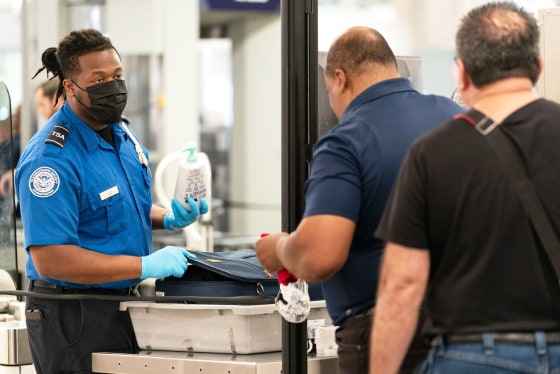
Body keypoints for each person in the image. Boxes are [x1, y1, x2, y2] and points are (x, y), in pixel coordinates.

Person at [255, 26, 463, 374]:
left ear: (340, 78)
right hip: (465, 323)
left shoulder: (346, 141)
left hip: (385, 333)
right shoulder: (453, 116)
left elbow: (321, 256)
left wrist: (279, 249)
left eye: (327, 91)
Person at [369, 2, 560, 373]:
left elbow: (403, 284)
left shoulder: (431, 152)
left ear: (462, 74)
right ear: (537, 67)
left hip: (471, 356)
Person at [15, 28, 208, 374]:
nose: (113, 85)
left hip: (121, 303)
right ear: (71, 87)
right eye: (99, 79)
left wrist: (168, 218)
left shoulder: (120, 132)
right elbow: (51, 259)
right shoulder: (51, 159)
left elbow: (114, 206)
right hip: (73, 312)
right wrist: (145, 266)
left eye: (117, 75)